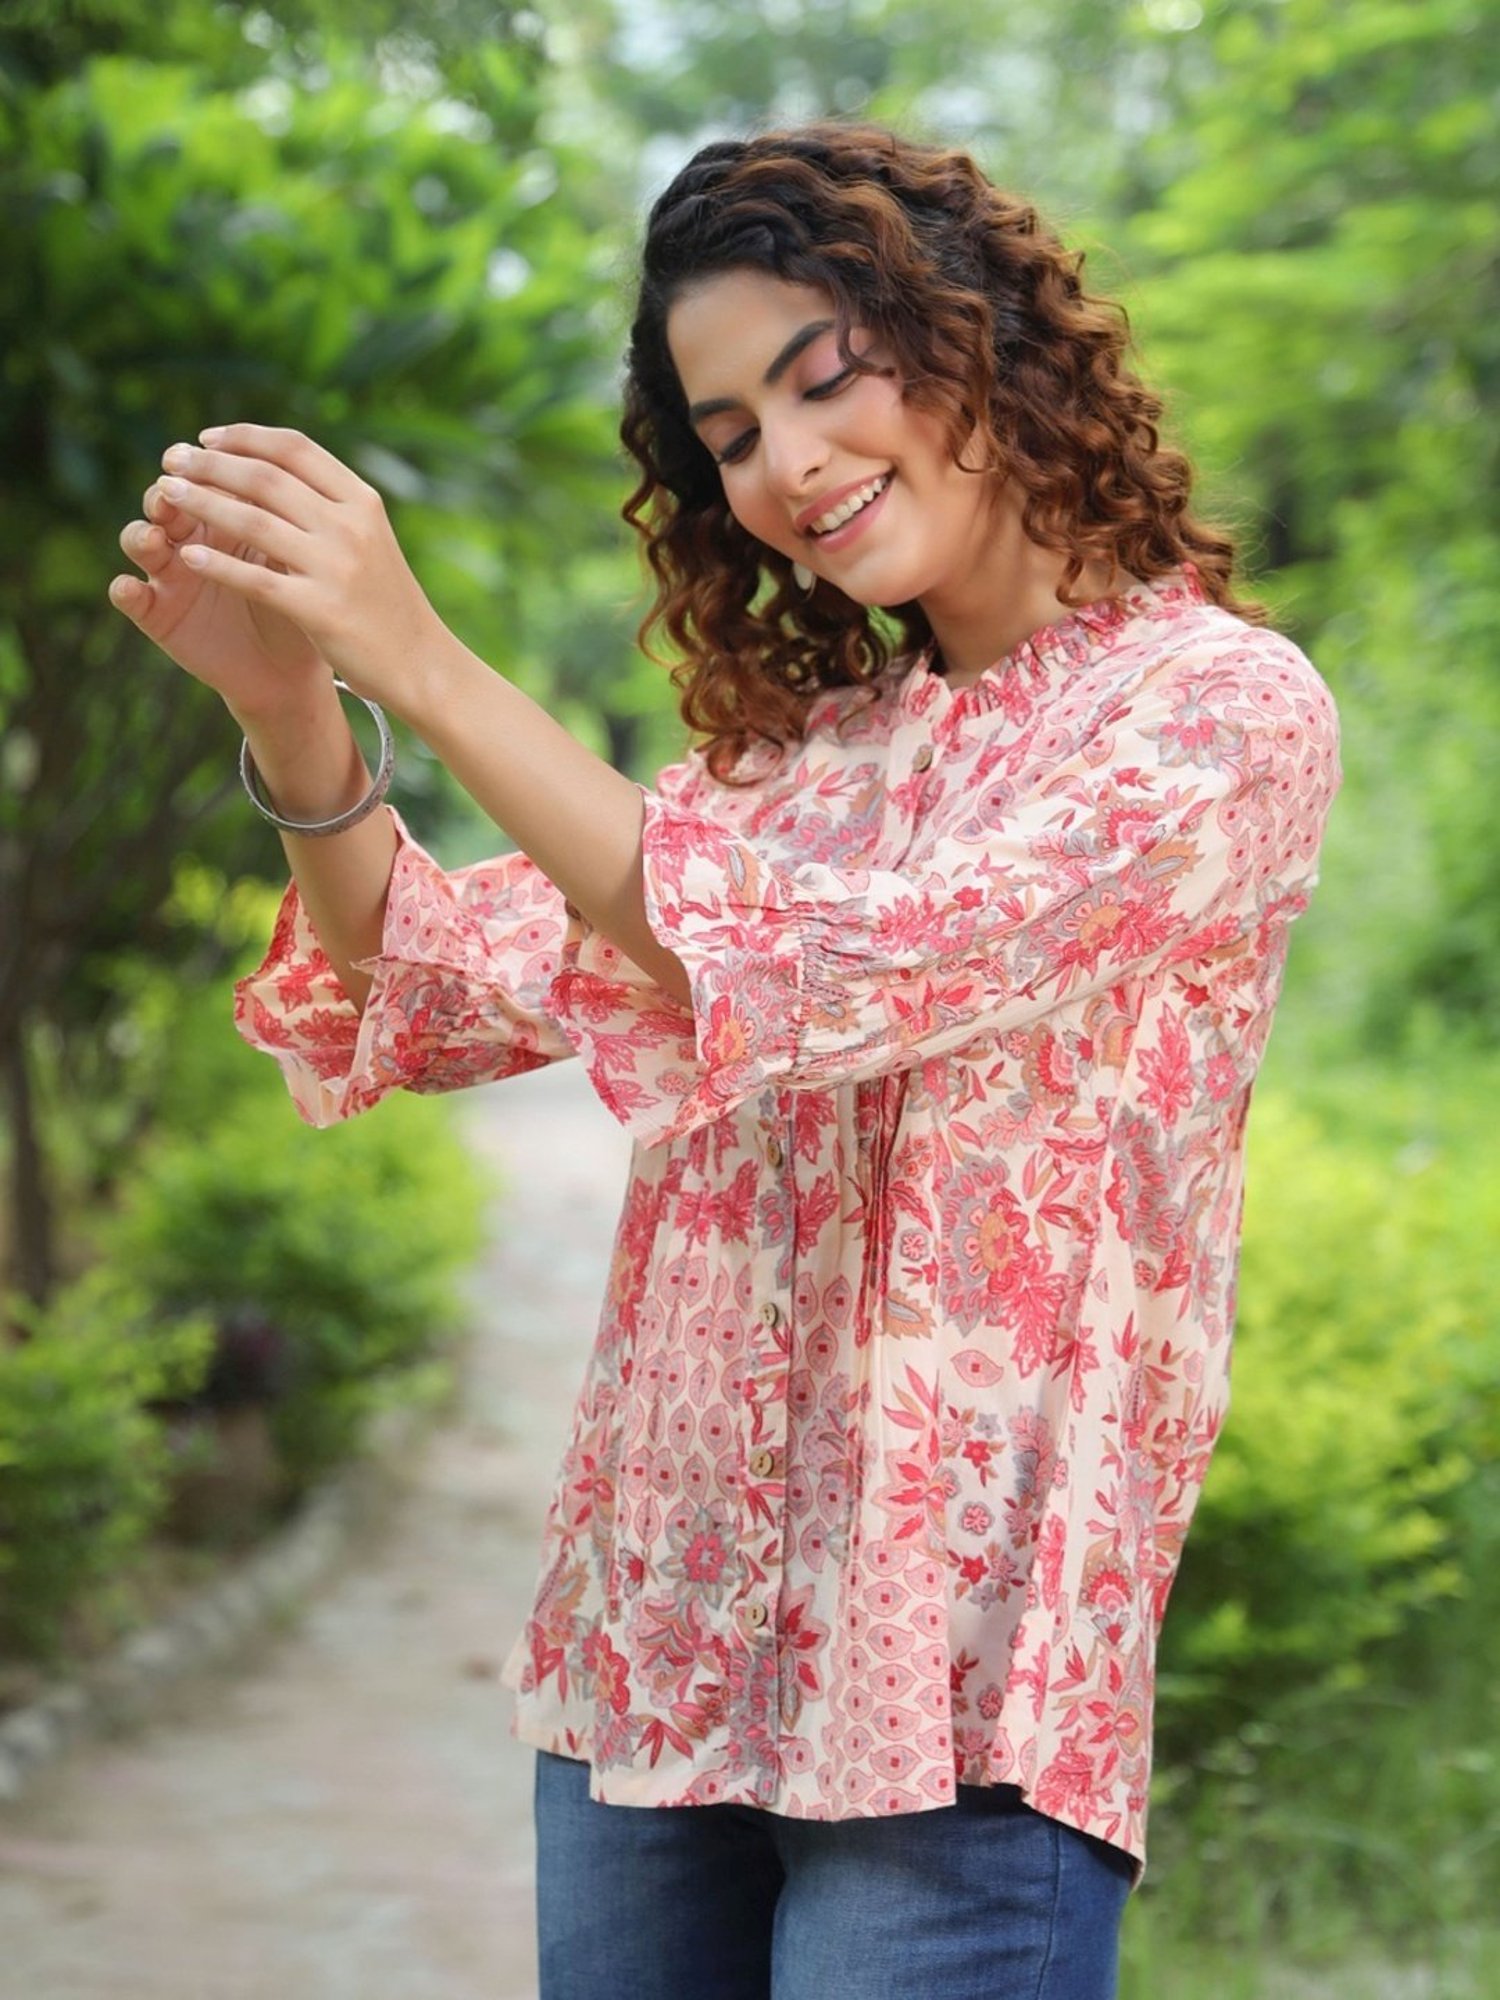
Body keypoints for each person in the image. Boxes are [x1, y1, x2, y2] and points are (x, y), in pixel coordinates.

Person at [108, 121, 1340, 2000]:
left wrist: (426, 657)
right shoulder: (801, 762)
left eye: (821, 378)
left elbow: (841, 962)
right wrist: (295, 709)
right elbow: (427, 983)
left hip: (954, 1713)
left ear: (981, 333)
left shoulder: (1221, 719)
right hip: (654, 1668)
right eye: (733, 436)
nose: (789, 465)